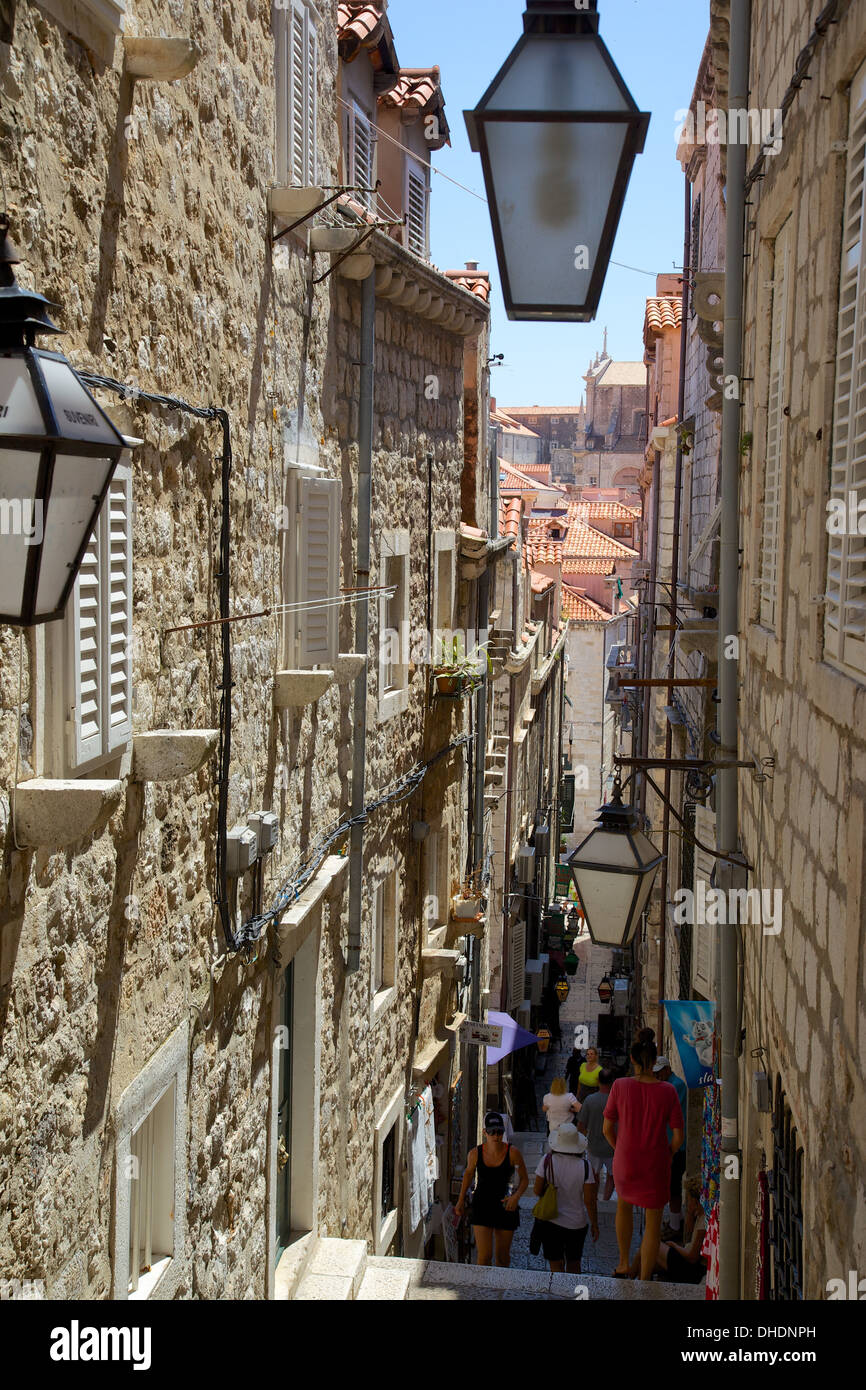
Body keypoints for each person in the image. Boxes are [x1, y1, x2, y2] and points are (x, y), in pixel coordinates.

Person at [602, 1036, 684, 1281]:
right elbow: (678, 1136)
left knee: (623, 1207)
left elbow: (607, 1129)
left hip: (626, 1160)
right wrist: (667, 1154)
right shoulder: (668, 1090)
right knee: (653, 1223)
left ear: (632, 1059)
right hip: (655, 1162)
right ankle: (646, 1277)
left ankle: (624, 1263)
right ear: (654, 1061)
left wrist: (620, 1149)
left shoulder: (620, 1086)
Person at [454, 1111, 529, 1267]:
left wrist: (515, 1197)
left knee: (502, 1257)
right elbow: (468, 1176)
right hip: (482, 1205)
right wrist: (460, 1201)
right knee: (484, 1256)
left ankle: (500, 1289)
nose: (496, 1136)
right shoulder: (475, 1154)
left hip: (505, 1205)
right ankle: (483, 1290)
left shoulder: (513, 1153)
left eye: (500, 1132)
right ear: (484, 1132)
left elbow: (524, 1179)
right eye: (492, 1132)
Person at [532, 1124, 599, 1274]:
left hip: (551, 1221)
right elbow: (589, 1200)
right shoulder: (586, 1166)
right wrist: (595, 1224)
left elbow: (536, 1190)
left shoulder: (547, 1160)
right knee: (574, 1265)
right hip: (576, 1224)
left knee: (555, 1266)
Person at [622, 1175, 707, 1284]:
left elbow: (692, 1257)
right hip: (688, 1261)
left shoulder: (703, 1223)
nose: (686, 1203)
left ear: (696, 1201)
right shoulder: (700, 1216)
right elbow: (689, 1232)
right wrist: (690, 1214)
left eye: (688, 1199)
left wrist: (674, 1246)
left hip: (692, 1270)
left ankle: (630, 1276)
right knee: (650, 1260)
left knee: (652, 1246)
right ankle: (635, 1279)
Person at [653, 1056, 688, 1237]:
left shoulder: (676, 1086)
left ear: (667, 1069)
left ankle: (675, 1228)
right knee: (671, 1185)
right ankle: (676, 1219)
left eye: (659, 1073)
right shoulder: (669, 1085)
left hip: (676, 1146)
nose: (657, 1077)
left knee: (673, 1186)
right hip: (669, 1143)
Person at [577, 1066, 616, 1201]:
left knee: (593, 1175)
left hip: (593, 1146)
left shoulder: (590, 1100)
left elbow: (581, 1125)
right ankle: (605, 1200)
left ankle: (594, 1200)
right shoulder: (617, 1101)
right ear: (612, 1082)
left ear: (598, 1081)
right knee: (612, 1176)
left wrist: (578, 1145)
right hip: (613, 1147)